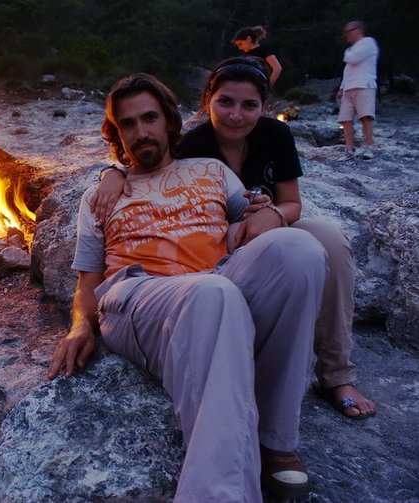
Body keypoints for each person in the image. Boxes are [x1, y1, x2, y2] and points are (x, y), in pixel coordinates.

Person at [48, 73, 327, 502]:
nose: (141, 131)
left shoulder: (212, 170)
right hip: (138, 295)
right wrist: (79, 327)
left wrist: (266, 212)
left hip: (216, 286)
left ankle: (274, 442)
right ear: (117, 134)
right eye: (128, 124)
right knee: (212, 295)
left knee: (298, 251)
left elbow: (254, 213)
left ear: (168, 123)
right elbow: (88, 279)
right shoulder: (98, 197)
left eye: (149, 118)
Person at [95, 57, 377, 421]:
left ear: (263, 108)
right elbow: (147, 158)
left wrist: (271, 212)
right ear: (207, 101)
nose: (236, 115)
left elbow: (293, 204)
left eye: (249, 105)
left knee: (329, 238)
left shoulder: (275, 135)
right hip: (231, 242)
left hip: (270, 225)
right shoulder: (192, 145)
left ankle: (336, 374)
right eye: (225, 102)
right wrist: (112, 174)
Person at [337, 20, 379, 161]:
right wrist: (341, 88)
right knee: (345, 119)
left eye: (349, 31)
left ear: (358, 30)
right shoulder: (351, 48)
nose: (346, 35)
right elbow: (348, 70)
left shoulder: (368, 42)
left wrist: (347, 53)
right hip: (349, 87)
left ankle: (369, 146)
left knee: (365, 117)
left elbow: (353, 59)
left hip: (364, 85)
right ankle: (349, 149)